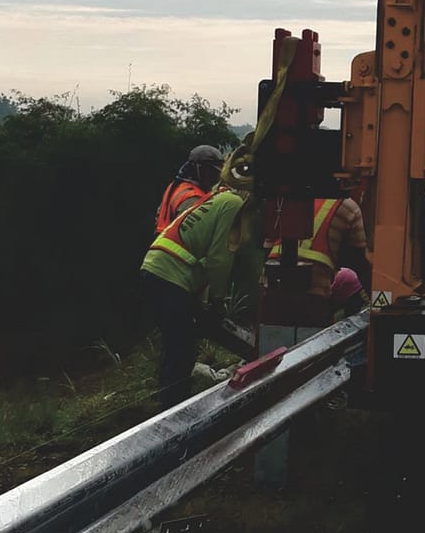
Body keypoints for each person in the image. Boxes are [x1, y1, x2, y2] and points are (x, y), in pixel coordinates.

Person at [141, 147, 257, 410]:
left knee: (178, 344)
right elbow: (218, 258)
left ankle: (171, 403)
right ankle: (174, 412)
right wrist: (217, 300)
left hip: (163, 268)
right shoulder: (232, 204)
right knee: (181, 348)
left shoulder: (214, 197)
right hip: (171, 273)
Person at [261, 196, 370, 330]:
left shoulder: (282, 201)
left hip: (272, 290)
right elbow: (358, 261)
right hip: (314, 296)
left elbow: (267, 249)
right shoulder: (348, 207)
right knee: (311, 340)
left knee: (271, 338)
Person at [154, 145, 225, 234]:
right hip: (174, 241)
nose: (214, 177)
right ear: (197, 169)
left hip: (162, 238)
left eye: (216, 172)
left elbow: (159, 214)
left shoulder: (176, 186)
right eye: (210, 171)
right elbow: (191, 233)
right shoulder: (193, 198)